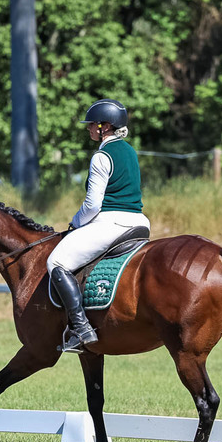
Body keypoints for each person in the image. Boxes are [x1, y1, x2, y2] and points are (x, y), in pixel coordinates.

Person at [47, 98, 151, 354]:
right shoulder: (129, 151)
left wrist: (75, 222)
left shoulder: (102, 156)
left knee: (56, 263)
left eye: (92, 124)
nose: (88, 129)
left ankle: (81, 328)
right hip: (139, 223)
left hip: (111, 223)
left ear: (105, 126)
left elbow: (93, 205)